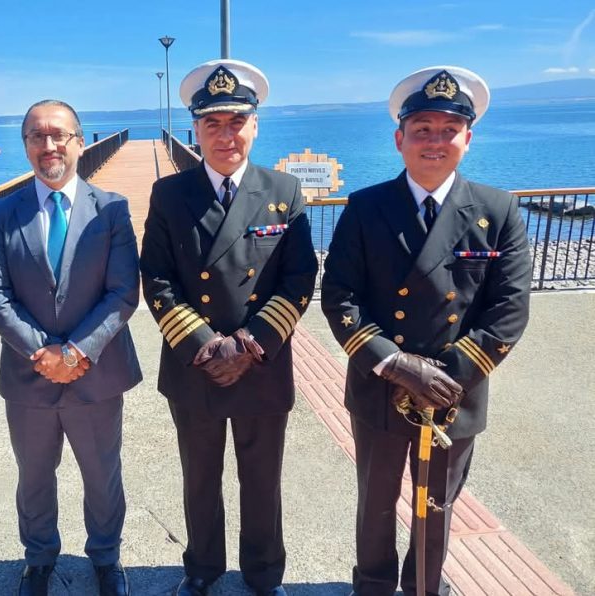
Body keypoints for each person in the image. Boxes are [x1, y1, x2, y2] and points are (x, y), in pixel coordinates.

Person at [320, 66, 532, 596]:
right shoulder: (367, 207)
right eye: (422, 130)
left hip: (454, 394)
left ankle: (423, 587)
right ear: (400, 139)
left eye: (447, 130)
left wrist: (446, 375)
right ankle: (371, 586)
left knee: (436, 505)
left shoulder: (497, 210)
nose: (434, 142)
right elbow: (340, 296)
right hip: (379, 386)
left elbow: (509, 309)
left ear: (468, 137)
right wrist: (395, 363)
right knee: (375, 501)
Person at [139, 59, 318, 596]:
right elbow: (158, 279)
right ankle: (202, 570)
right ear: (195, 130)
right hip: (197, 366)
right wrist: (208, 344)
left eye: (236, 121)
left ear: (255, 126)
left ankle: (264, 576)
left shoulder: (284, 191)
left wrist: (249, 344)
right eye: (212, 123)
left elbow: (299, 278)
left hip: (261, 365)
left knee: (262, 482)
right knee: (200, 481)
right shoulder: (171, 194)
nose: (225, 135)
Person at [0, 99, 142, 596]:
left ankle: (106, 557)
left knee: (102, 475)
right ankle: (39, 558)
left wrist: (75, 353)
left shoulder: (111, 208)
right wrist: (42, 353)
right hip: (30, 378)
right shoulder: (2, 212)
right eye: (36, 136)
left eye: (59, 135)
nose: (48, 145)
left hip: (97, 373)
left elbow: (122, 293)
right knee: (33, 476)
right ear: (25, 144)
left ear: (80, 142)